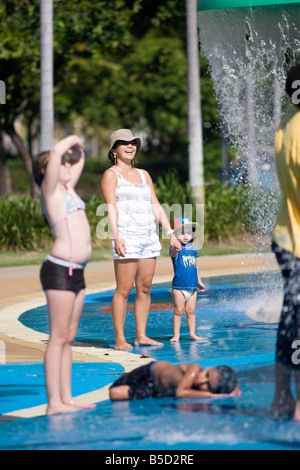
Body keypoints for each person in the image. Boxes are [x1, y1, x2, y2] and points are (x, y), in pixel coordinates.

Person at [101, 129, 182, 351]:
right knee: (124, 289)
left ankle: (141, 336)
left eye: (133, 143)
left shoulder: (144, 174)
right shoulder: (111, 175)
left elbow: (155, 204)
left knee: (145, 288)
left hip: (148, 237)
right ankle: (120, 338)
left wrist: (170, 233)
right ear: (114, 150)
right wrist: (116, 236)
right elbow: (111, 207)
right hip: (126, 237)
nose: (130, 146)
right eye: (124, 143)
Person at [33, 135, 95, 416]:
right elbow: (58, 151)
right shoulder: (51, 193)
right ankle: (52, 403)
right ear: (47, 171)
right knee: (57, 338)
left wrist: (77, 150)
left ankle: (67, 398)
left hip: (78, 271)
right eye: (61, 163)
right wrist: (71, 140)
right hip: (59, 268)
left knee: (69, 337)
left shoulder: (68, 189)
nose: (68, 166)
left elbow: (78, 157)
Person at [271, 63, 300, 422]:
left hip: (285, 237)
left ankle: (281, 396)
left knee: (291, 317)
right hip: (297, 241)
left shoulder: (286, 127)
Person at [109, 360, 240, 401]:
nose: (202, 381)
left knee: (115, 394)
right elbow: (181, 393)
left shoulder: (202, 386)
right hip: (150, 372)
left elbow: (230, 381)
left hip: (153, 389)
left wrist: (233, 387)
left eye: (208, 385)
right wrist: (212, 394)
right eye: (206, 375)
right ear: (208, 368)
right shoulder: (195, 370)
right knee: (113, 389)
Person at [170, 217, 206, 342]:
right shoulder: (176, 248)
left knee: (191, 311)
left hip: (192, 287)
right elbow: (172, 255)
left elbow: (195, 266)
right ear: (175, 234)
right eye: (182, 233)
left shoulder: (193, 249)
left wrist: (199, 281)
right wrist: (175, 248)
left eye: (189, 232)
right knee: (179, 311)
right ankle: (176, 335)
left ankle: (192, 333)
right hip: (179, 287)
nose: (186, 236)